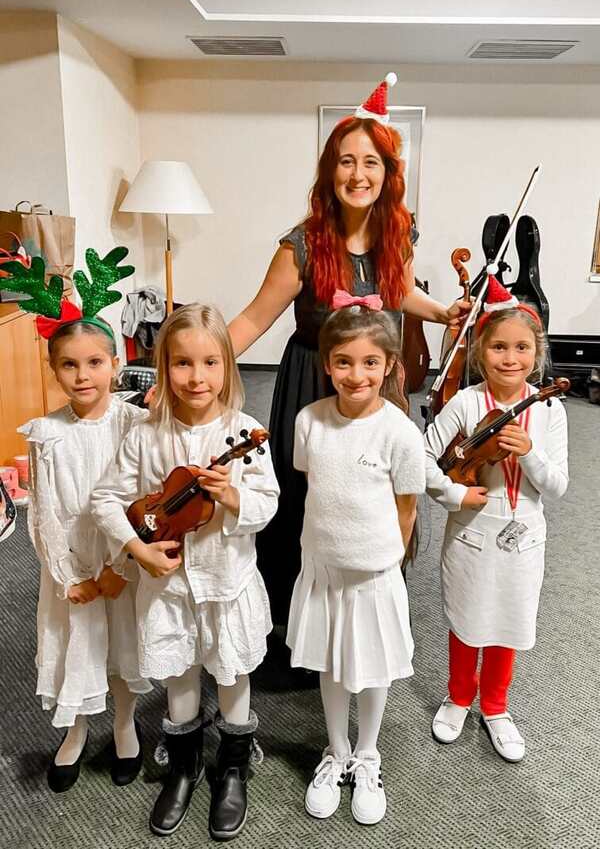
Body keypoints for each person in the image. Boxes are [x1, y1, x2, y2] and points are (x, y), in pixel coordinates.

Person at [228, 73, 469, 627]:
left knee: (378, 490)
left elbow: (398, 291)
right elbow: (254, 317)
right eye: (345, 161)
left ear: (388, 174)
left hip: (378, 382)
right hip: (314, 378)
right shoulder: (303, 245)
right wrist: (202, 365)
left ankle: (370, 616)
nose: (358, 174)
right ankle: (301, 632)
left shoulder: (397, 233)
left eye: (370, 163)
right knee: (310, 498)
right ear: (329, 170)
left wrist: (441, 312)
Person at [91, 304, 279, 841]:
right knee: (179, 671)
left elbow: (268, 505)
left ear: (228, 368)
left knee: (232, 671)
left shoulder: (243, 434)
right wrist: (136, 548)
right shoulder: (148, 434)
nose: (197, 378)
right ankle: (185, 765)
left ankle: (235, 765)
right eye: (182, 364)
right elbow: (107, 499)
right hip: (166, 586)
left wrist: (234, 497)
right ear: (163, 366)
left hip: (226, 582)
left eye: (210, 363)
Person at [286, 301, 425, 825]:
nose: (356, 374)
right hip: (323, 569)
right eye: (343, 361)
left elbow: (405, 510)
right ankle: (337, 750)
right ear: (325, 364)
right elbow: (313, 485)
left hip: (373, 574)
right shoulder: (309, 422)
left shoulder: (400, 434)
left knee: (371, 665)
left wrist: (384, 562)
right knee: (332, 662)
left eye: (370, 362)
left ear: (389, 365)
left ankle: (368, 754)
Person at [424, 277, 569, 762]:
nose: (511, 359)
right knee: (467, 616)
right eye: (500, 348)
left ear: (538, 352)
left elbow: (557, 486)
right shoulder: (466, 403)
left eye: (522, 348)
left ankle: (496, 705)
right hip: (470, 531)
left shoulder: (548, 410)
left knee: (509, 617)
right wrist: (454, 493)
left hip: (525, 535)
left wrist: (529, 454)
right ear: (481, 351)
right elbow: (427, 458)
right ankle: (459, 696)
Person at [19, 314, 150, 792]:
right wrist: (67, 575)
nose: (82, 375)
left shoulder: (136, 422)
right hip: (72, 560)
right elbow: (43, 511)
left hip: (122, 553)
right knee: (77, 644)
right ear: (54, 368)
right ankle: (74, 731)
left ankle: (123, 724)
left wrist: (121, 565)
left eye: (95, 362)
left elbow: (146, 498)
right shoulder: (46, 433)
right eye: (69, 365)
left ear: (115, 364)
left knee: (122, 644)